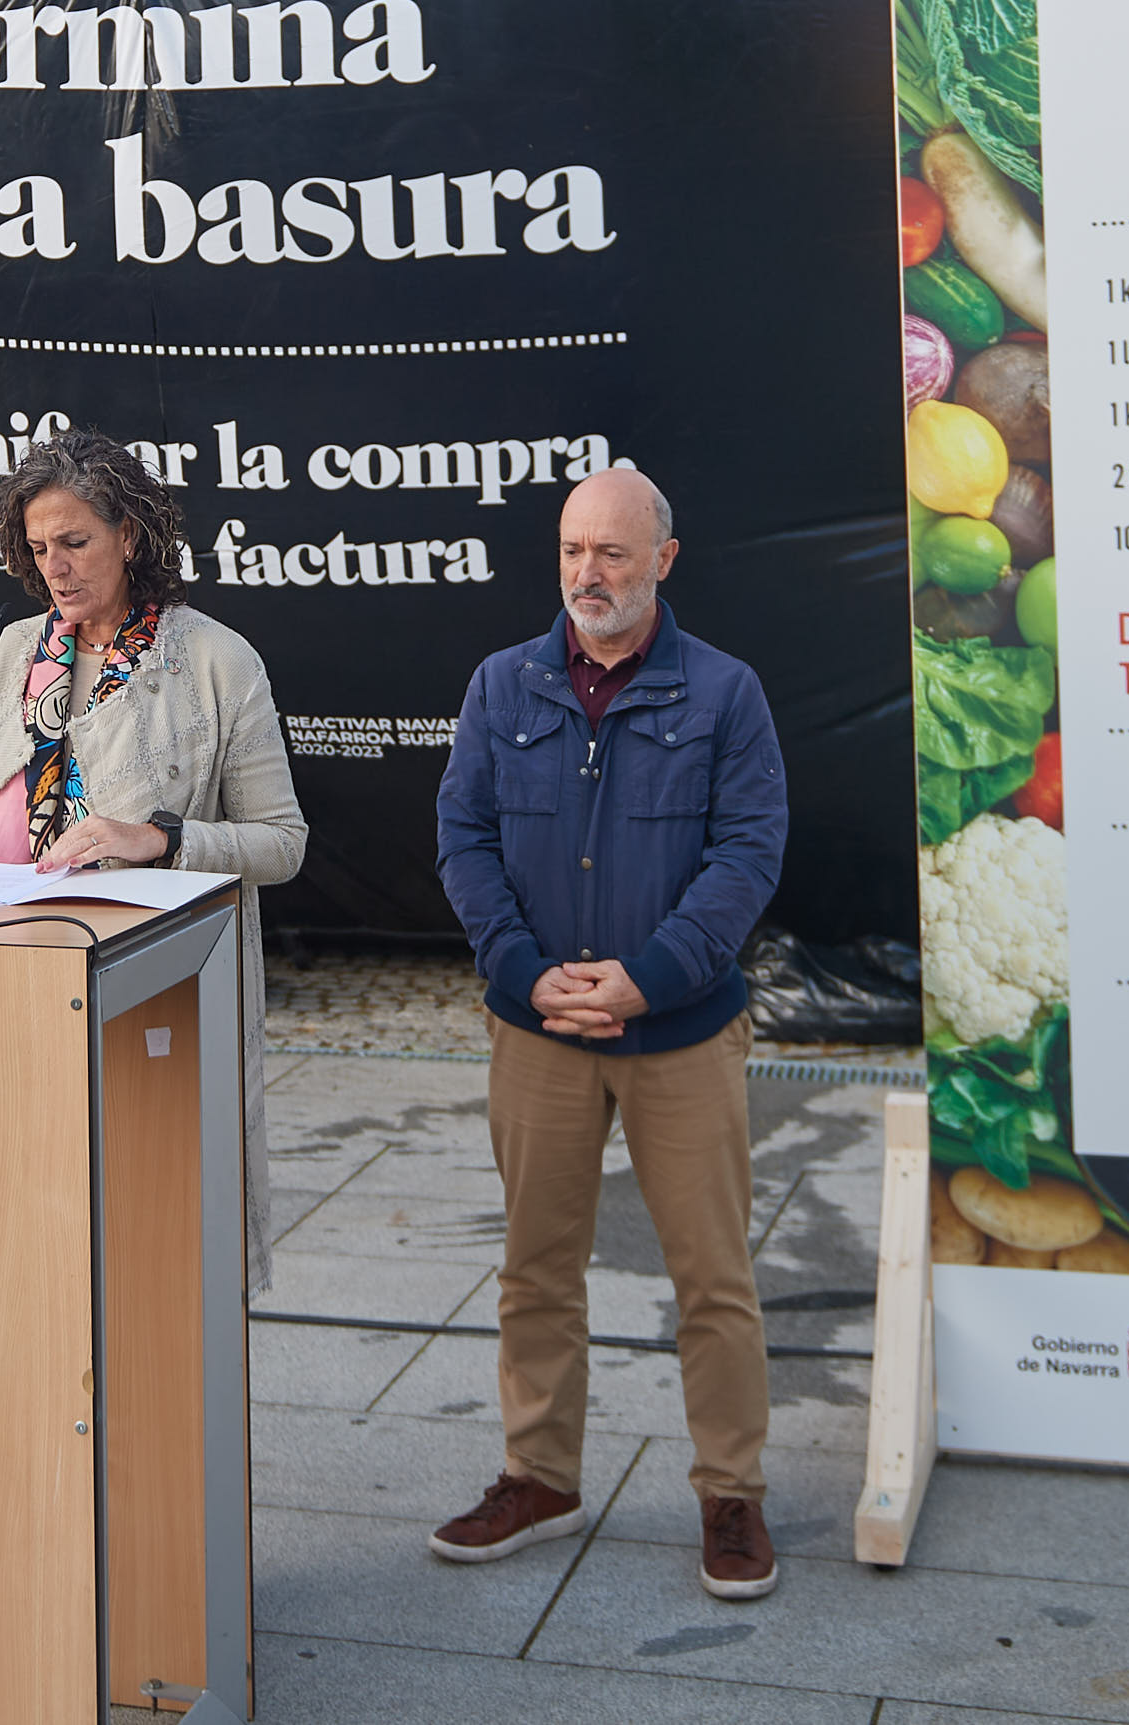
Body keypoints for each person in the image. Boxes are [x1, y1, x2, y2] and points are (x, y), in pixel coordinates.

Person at [426, 465, 789, 1604]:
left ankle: (730, 1492)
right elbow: (463, 838)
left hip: (678, 1036)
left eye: (613, 552)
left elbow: (746, 857)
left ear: (662, 560)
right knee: (535, 1267)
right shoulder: (503, 682)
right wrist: (530, 976)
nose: (588, 571)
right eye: (573, 548)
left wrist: (644, 979)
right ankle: (538, 1475)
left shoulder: (724, 694)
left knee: (712, 1276)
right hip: (537, 1033)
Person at [0, 427, 310, 1282]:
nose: (55, 568)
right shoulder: (13, 654)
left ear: (130, 535)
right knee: (10, 1234)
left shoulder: (217, 660)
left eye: (75, 542)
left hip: (137, 993)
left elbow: (283, 843)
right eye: (38, 549)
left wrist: (162, 838)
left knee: (135, 1238)